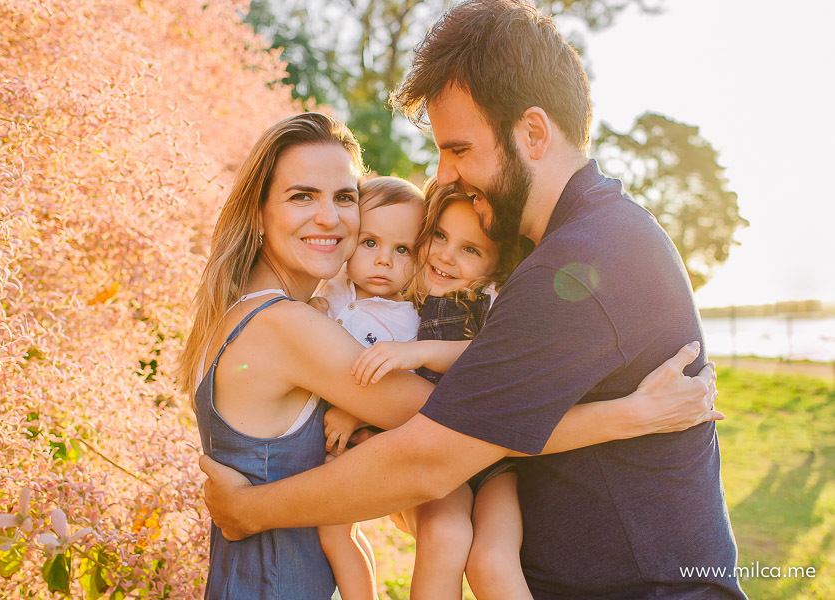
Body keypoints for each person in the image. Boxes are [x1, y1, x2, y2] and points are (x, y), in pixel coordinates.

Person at [198, 1, 745, 599]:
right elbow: (466, 434)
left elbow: (431, 455)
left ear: (533, 134)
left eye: (459, 149)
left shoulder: (582, 263)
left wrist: (252, 510)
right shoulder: (564, 249)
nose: (446, 175)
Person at [349, 179, 532, 600]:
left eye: (470, 249)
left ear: (496, 264)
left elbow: (490, 356)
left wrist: (420, 352)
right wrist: (355, 411)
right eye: (439, 236)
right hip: (431, 454)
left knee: (493, 561)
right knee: (442, 535)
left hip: (493, 463)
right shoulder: (405, 295)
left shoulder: (490, 300)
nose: (446, 255)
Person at [312, 176, 425, 600]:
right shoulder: (334, 288)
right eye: (370, 242)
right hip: (328, 433)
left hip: (368, 437)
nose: (384, 261)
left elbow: (407, 386)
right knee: (345, 530)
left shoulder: (407, 320)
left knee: (334, 531)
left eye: (402, 250)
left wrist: (355, 411)